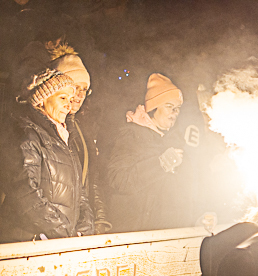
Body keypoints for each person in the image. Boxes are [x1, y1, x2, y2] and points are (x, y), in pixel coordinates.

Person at [0, 66, 94, 242]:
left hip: (61, 241)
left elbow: (79, 192)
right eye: (62, 98)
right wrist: (62, 231)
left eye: (70, 99)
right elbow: (25, 191)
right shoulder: (26, 134)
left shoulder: (65, 139)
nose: (69, 105)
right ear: (42, 100)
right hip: (31, 242)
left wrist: (85, 226)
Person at [104, 73, 191, 232]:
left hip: (165, 231)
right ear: (153, 108)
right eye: (168, 106)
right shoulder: (132, 135)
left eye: (177, 108)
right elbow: (118, 180)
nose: (174, 112)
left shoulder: (174, 140)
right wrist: (160, 164)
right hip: (134, 232)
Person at [49, 41, 111, 234]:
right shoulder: (47, 128)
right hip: (49, 232)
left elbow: (91, 179)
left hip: (76, 228)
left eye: (85, 89)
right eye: (75, 87)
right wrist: (61, 229)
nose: (79, 95)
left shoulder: (81, 129)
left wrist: (99, 219)